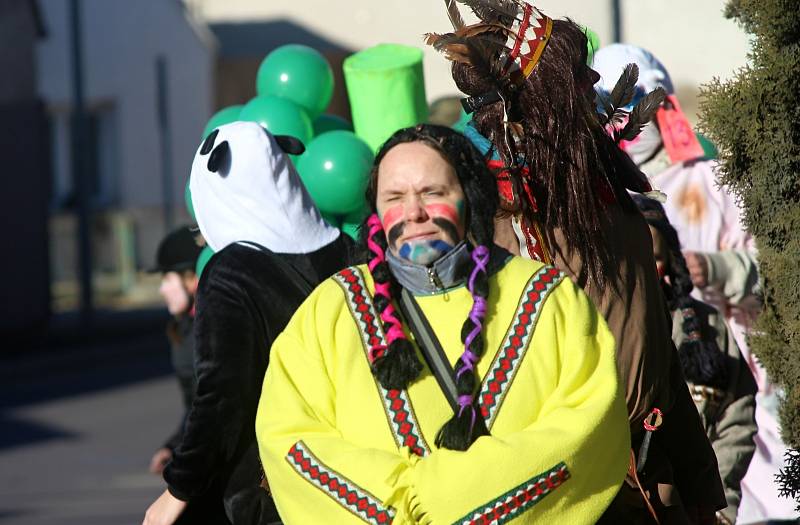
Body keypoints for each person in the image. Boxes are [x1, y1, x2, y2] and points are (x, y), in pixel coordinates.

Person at [426, 3, 724, 522]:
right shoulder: (492, 219)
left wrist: (697, 484)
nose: (591, 78)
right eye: (572, 74)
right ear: (538, 101)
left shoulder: (607, 192)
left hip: (650, 482)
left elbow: (654, 346)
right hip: (553, 496)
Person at [256, 124, 630, 524]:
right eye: (394, 197)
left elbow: (589, 422)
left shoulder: (548, 297)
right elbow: (289, 437)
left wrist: (455, 498)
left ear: (468, 197)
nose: (414, 212)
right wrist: (399, 504)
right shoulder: (330, 308)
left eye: (432, 193)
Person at [592, 44, 791, 525]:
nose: (625, 114)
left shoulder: (714, 179)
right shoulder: (598, 187)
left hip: (731, 359)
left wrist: (712, 269)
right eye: (611, 103)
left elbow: (777, 266)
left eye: (637, 96)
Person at [143, 121, 353, 525]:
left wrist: (176, 492)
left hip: (268, 492)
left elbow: (221, 397)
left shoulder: (231, 272)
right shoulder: (351, 252)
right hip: (356, 482)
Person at [636, 195, 758, 524]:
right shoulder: (607, 331)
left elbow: (736, 419)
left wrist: (720, 506)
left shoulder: (708, 327)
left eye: (655, 258)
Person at [146, 225, 204, 475]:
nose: (162, 289)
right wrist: (174, 445)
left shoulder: (209, 331)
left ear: (192, 279)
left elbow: (211, 407)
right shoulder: (184, 330)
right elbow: (196, 406)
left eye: (167, 278)